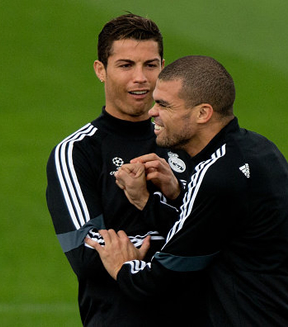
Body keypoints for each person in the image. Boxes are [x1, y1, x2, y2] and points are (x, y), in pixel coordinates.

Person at [86, 55, 288, 326]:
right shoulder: (262, 151)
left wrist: (123, 265)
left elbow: (156, 280)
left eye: (164, 105)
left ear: (203, 113)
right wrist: (161, 198)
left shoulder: (215, 174)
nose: (152, 111)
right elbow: (212, 231)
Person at [46, 14, 190, 326]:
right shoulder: (76, 152)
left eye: (150, 65)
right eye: (126, 65)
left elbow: (221, 228)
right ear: (101, 70)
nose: (141, 78)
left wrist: (129, 249)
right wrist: (182, 242)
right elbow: (85, 254)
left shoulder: (188, 143)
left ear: (163, 67)